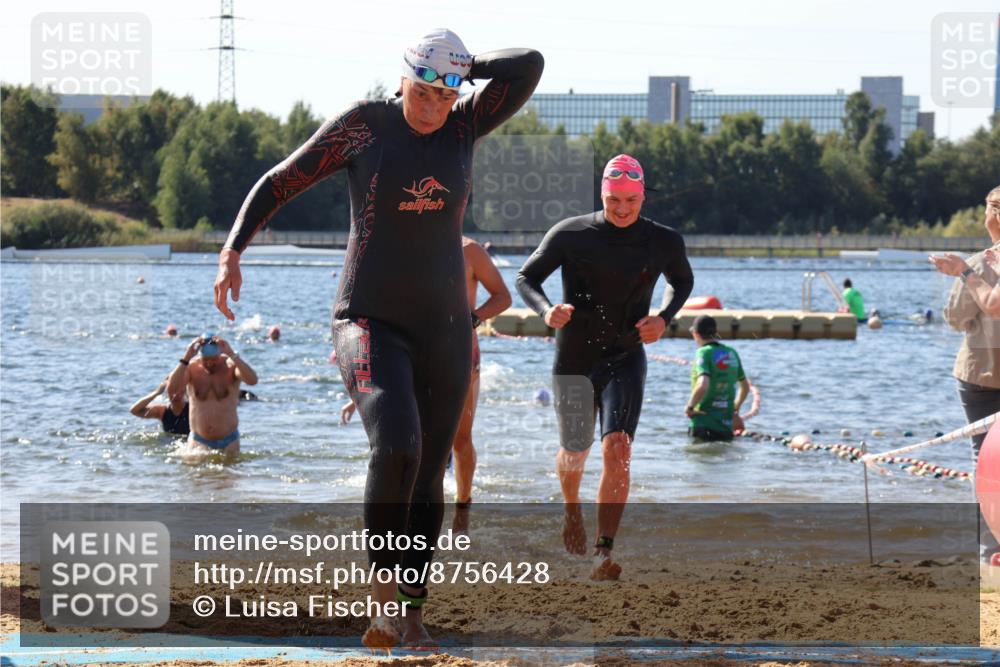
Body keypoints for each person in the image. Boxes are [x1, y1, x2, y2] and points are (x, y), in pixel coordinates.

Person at [212, 28, 542, 650]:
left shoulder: (465, 124)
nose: (431, 108)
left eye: (444, 97)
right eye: (422, 92)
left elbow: (529, 65)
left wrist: (464, 69)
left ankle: (413, 613)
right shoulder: (364, 126)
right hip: (367, 319)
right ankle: (383, 597)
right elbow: (279, 182)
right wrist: (233, 249)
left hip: (446, 329)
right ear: (404, 78)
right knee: (397, 446)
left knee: (428, 476)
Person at [516, 153, 694, 580]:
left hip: (626, 355)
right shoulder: (572, 233)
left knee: (619, 448)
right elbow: (526, 278)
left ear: (642, 196)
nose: (621, 209)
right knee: (576, 451)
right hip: (575, 359)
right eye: (614, 200)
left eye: (630, 201)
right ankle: (571, 509)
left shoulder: (663, 240)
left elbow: (682, 281)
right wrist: (545, 312)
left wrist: (663, 318)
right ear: (603, 193)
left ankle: (604, 551)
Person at [340, 237, 512, 533]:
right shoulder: (405, 243)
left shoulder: (469, 250)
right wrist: (362, 388)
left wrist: (471, 318)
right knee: (408, 438)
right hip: (409, 351)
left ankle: (462, 507)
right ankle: (405, 516)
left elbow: (502, 297)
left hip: (459, 353)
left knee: (460, 439)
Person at [929, 184, 1000, 563]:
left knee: (985, 461)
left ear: (994, 217)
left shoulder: (980, 263)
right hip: (982, 378)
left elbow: (958, 318)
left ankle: (991, 549)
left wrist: (963, 272)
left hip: (982, 376)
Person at [167, 334, 258, 462]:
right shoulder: (191, 368)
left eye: (214, 360)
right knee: (196, 479)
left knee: (228, 479)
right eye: (206, 360)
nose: (210, 363)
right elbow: (172, 389)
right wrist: (186, 357)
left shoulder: (230, 366)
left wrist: (232, 354)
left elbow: (252, 380)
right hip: (199, 439)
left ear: (220, 354)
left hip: (229, 440)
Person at [685, 315, 750, 442]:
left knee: (699, 459)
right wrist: (735, 409)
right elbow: (745, 387)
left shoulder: (703, 353)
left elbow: (703, 384)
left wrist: (690, 407)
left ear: (696, 334)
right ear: (716, 333)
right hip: (725, 425)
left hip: (702, 423)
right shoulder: (731, 352)